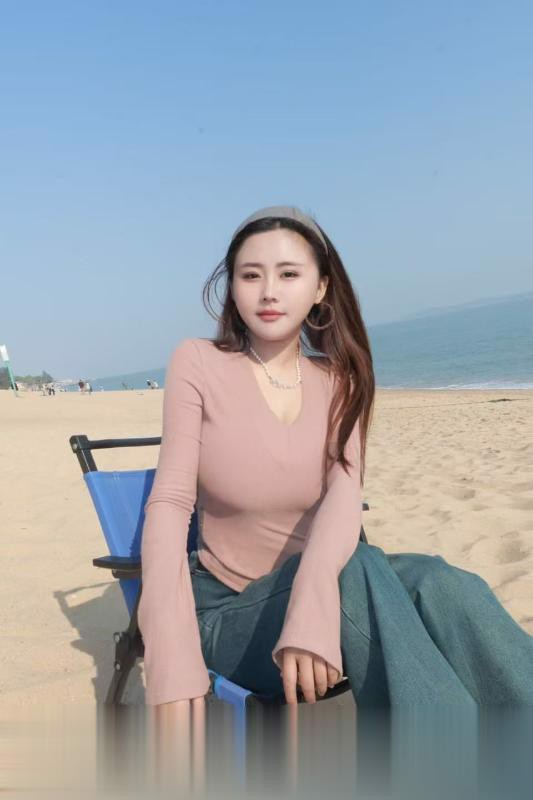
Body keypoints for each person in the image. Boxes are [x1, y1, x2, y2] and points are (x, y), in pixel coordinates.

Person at [138, 205, 533, 713]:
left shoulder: (339, 379)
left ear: (321, 287)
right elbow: (170, 503)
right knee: (361, 566)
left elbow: (345, 497)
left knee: (439, 583)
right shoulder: (197, 361)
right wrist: (172, 664)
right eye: (250, 275)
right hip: (232, 614)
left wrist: (313, 597)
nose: (269, 292)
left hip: (331, 590)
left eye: (289, 274)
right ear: (232, 288)